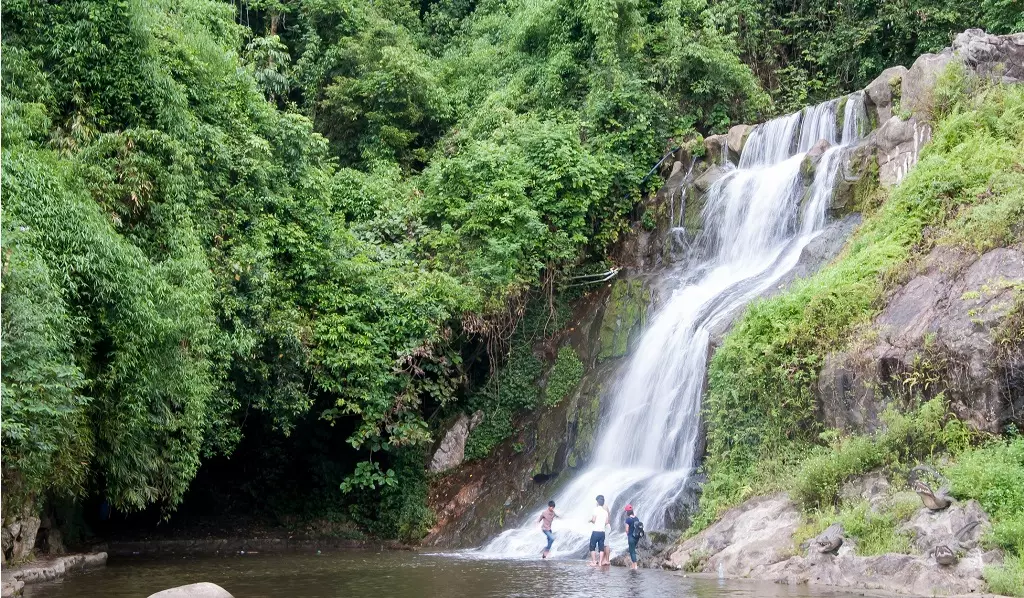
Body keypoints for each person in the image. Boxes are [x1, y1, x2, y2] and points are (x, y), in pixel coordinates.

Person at [588, 495, 610, 567]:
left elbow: (594, 520)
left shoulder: (595, 509)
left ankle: (594, 562)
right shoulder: (605, 512)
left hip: (596, 531)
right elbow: (606, 522)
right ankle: (600, 562)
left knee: (592, 546)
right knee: (601, 548)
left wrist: (590, 520)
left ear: (597, 502)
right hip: (602, 532)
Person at [624, 504, 640, 570]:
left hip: (631, 537)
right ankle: (633, 565)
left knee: (632, 551)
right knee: (632, 550)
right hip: (636, 537)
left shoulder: (628, 520)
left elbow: (627, 529)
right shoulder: (637, 518)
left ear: (627, 512)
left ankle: (635, 566)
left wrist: (627, 534)